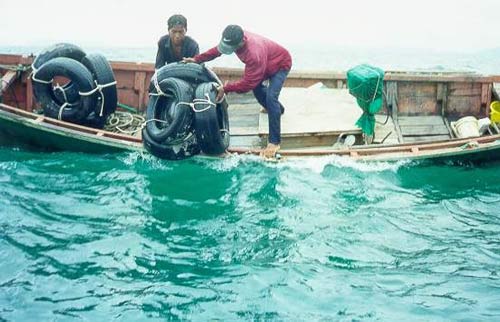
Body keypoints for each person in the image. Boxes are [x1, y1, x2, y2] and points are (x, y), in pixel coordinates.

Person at [182, 25, 292, 159]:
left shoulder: (253, 53)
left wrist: (225, 89)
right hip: (264, 63)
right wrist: (197, 59)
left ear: (241, 42)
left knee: (270, 97)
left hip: (280, 64)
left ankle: (274, 142)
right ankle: (277, 109)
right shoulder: (233, 36)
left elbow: (247, 84)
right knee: (259, 91)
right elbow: (217, 51)